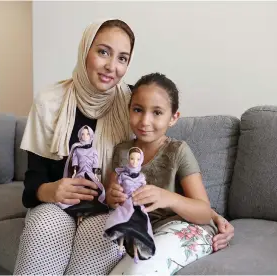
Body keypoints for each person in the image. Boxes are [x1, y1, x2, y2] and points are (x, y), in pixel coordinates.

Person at [14, 18, 234, 275]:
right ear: (85, 50)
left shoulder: (131, 101)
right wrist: (51, 190)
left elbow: (186, 197)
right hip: (56, 206)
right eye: (103, 52)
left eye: (122, 58)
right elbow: (31, 184)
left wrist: (214, 217)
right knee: (47, 226)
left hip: (104, 211)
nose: (111, 66)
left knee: (108, 232)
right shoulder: (49, 101)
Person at [108, 72, 217, 275]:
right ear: (129, 109)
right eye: (138, 110)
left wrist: (167, 197)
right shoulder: (122, 151)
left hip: (185, 227)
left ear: (173, 117)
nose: (144, 121)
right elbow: (111, 199)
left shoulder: (178, 151)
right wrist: (113, 197)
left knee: (137, 271)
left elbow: (204, 211)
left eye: (157, 112)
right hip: (142, 229)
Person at [104, 147, 155, 263]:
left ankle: (136, 253)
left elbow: (144, 189)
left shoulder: (141, 178)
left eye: (137, 159)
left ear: (141, 160)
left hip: (137, 203)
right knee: (122, 221)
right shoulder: (122, 175)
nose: (134, 162)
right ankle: (120, 247)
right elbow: (115, 188)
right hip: (126, 202)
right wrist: (113, 194)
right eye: (132, 158)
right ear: (128, 158)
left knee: (139, 226)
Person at [56, 125, 108, 225]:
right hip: (80, 173)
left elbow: (95, 163)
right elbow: (75, 162)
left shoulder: (93, 150)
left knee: (96, 190)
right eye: (83, 134)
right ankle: (77, 212)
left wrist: (96, 175)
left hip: (90, 173)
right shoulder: (76, 149)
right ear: (80, 136)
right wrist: (74, 172)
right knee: (76, 189)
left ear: (91, 136)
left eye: (87, 134)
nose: (85, 136)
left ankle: (90, 210)